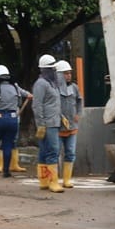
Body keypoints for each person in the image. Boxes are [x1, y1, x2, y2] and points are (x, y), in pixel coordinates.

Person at [31, 54, 64, 193]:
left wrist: (61, 116)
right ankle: (53, 182)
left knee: (45, 151)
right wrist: (41, 124)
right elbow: (37, 106)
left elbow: (53, 103)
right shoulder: (41, 84)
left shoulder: (52, 84)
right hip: (48, 123)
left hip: (54, 121)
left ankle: (44, 181)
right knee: (53, 151)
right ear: (46, 69)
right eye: (52, 69)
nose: (55, 71)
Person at [54, 58, 81, 188]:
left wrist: (78, 114)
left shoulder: (75, 88)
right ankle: (53, 179)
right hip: (58, 127)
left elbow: (79, 101)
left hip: (72, 127)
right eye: (65, 73)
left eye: (69, 73)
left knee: (70, 152)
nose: (68, 75)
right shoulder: (54, 89)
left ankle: (66, 180)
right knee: (56, 152)